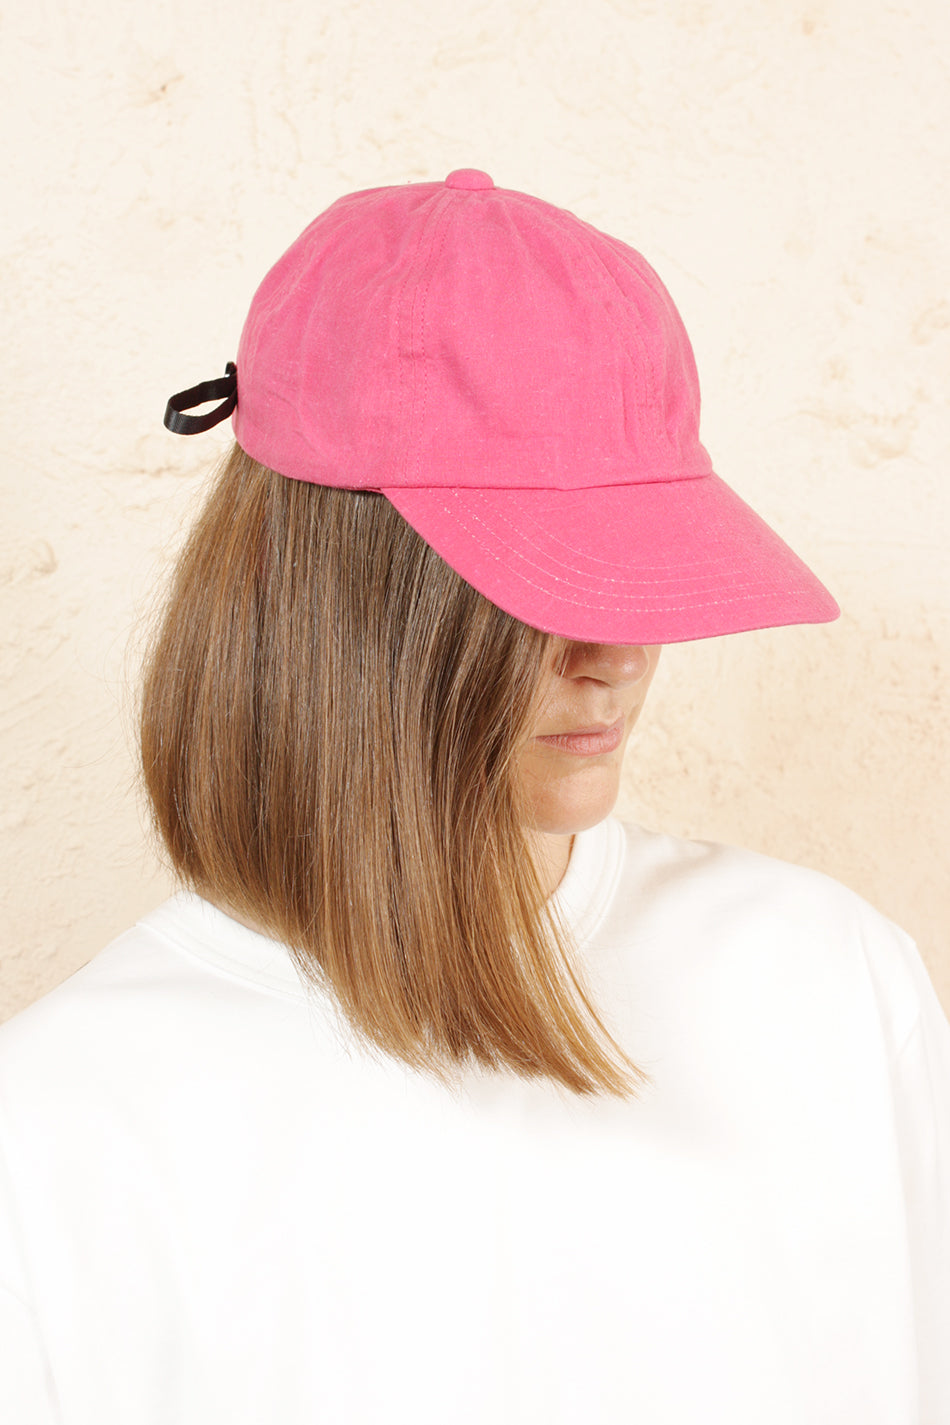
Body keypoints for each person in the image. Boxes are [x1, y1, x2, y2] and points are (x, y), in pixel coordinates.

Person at [1, 168, 947, 1424]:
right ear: (331, 588)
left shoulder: (827, 981)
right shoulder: (66, 1130)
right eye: (542, 584)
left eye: (641, 562)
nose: (616, 651)